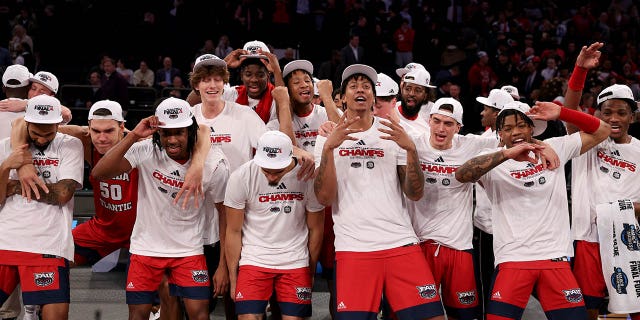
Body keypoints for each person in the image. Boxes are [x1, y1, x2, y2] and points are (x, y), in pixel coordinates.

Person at [455, 99, 612, 320]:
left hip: (554, 257)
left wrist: (562, 112)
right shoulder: (493, 163)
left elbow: (602, 130)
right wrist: (507, 154)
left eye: (521, 126)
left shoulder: (555, 147)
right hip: (512, 259)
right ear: (499, 133)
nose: (516, 132)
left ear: (531, 128)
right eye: (508, 128)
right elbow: (462, 175)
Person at [314, 64, 445, 320]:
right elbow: (324, 198)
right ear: (342, 97)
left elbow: (414, 193)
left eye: (366, 86)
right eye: (354, 86)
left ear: (374, 96)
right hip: (354, 247)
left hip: (399, 241)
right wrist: (329, 150)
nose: (360, 89)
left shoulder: (392, 133)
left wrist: (411, 151)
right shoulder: (328, 138)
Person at [91, 97, 229, 320]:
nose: (172, 140)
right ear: (158, 133)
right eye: (166, 133)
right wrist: (134, 135)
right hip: (145, 249)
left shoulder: (214, 164)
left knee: (199, 314)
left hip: (189, 250)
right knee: (138, 315)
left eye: (179, 133)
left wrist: (222, 265)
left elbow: (225, 216)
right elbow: (99, 173)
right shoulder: (145, 149)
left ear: (191, 131)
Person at [562, 42, 640, 320]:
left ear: (634, 115)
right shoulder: (586, 142)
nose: (614, 118)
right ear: (596, 116)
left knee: (634, 307)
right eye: (606, 112)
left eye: (621, 112)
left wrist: (621, 211)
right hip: (587, 238)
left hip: (629, 240)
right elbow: (568, 110)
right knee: (588, 307)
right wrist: (580, 70)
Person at [0, 95, 84, 320]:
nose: (41, 139)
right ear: (26, 123)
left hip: (48, 244)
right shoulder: (5, 147)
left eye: (49, 133)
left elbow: (62, 194)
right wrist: (6, 166)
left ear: (58, 125)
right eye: (36, 133)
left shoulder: (70, 145)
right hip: (4, 242)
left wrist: (14, 185)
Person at [225, 130, 324, 319]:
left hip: (295, 261)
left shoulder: (308, 177)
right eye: (266, 170)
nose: (271, 177)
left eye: (277, 171)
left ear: (290, 158)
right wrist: (233, 276)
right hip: (254, 260)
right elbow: (233, 230)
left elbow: (316, 228)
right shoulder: (241, 176)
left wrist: (310, 271)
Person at [0, 63, 30, 320]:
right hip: (20, 192)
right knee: (18, 251)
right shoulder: (35, 114)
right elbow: (65, 116)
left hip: (7, 188)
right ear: (29, 87)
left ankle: (8, 311)